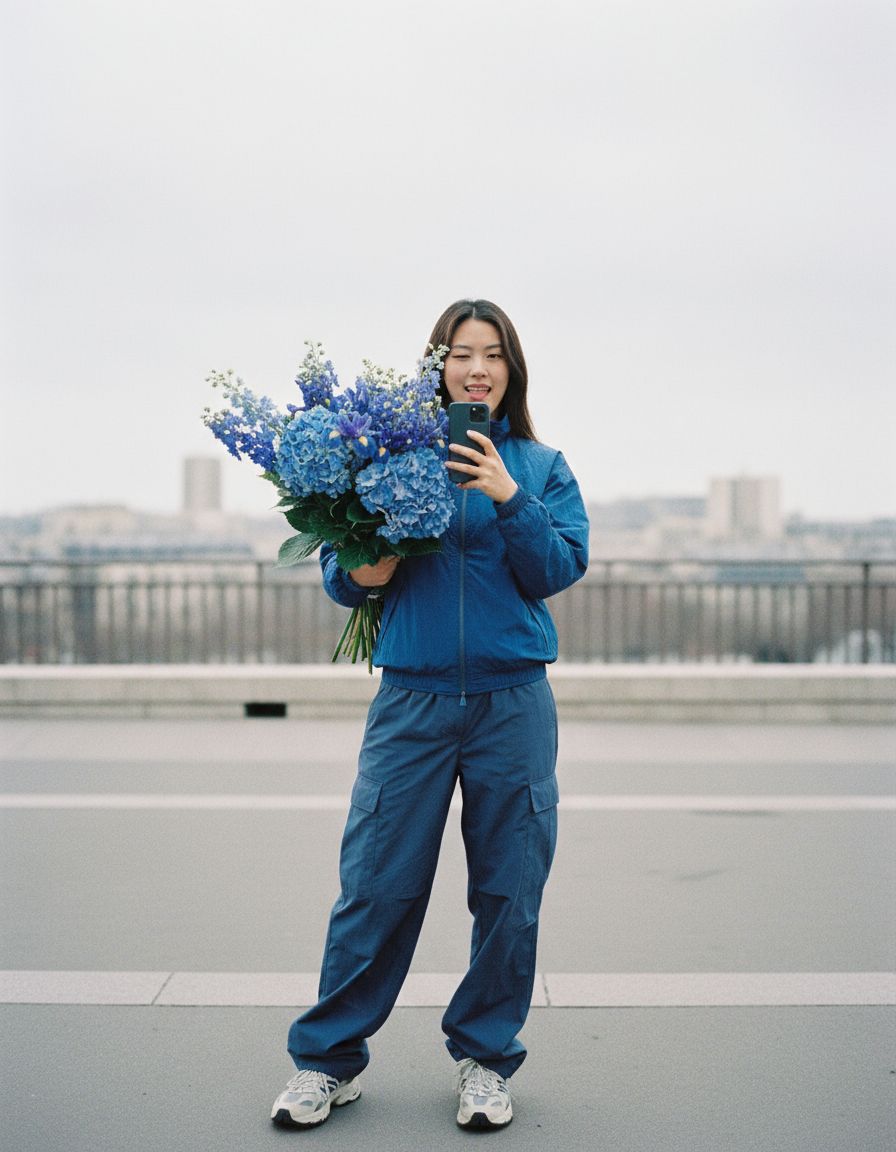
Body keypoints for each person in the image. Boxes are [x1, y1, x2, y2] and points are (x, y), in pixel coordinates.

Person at [271, 298, 590, 1131]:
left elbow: (558, 569)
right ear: (437, 367)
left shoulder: (542, 463)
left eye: (492, 354)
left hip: (512, 700)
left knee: (510, 890)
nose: (476, 367)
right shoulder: (393, 456)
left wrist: (509, 495)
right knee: (375, 884)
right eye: (460, 353)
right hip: (409, 699)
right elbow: (347, 580)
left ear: (511, 369)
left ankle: (484, 1061)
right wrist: (367, 553)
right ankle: (328, 1063)